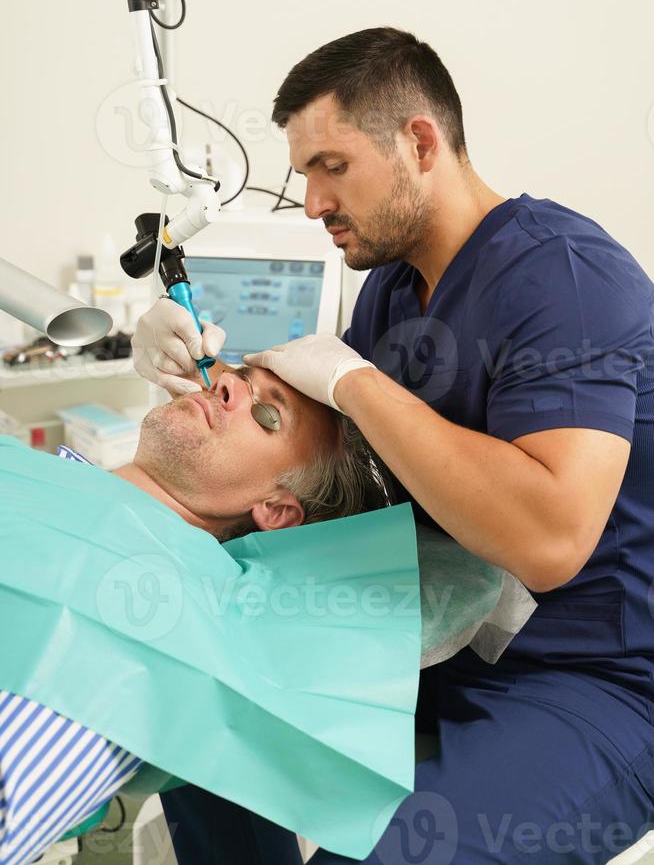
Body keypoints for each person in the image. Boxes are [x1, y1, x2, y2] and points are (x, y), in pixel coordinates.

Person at [135, 27, 654, 863]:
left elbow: (551, 541)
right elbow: (342, 467)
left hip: (600, 677)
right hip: (445, 644)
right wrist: (201, 373)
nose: (311, 202)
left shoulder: (562, 279)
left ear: (419, 143)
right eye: (304, 173)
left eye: (330, 167)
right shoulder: (391, 293)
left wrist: (356, 385)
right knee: (203, 726)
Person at [0, 358, 388, 865]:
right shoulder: (41, 474)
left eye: (268, 414)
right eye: (243, 379)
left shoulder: (148, 629)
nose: (225, 382)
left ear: (275, 510)